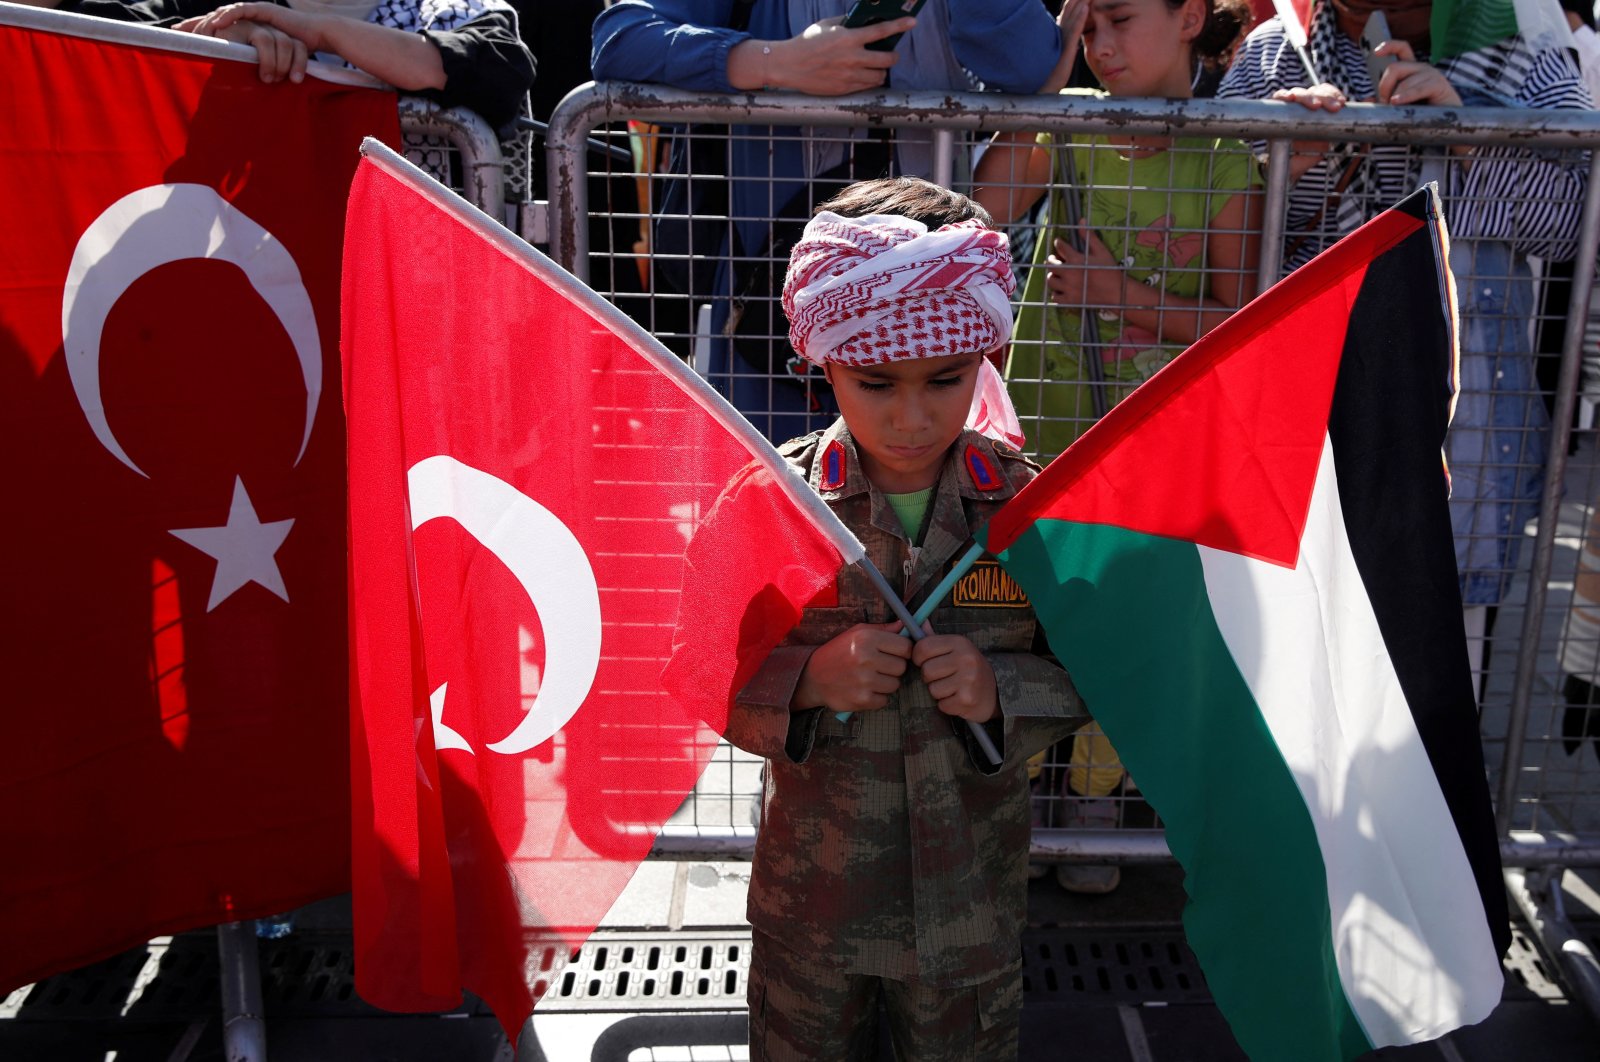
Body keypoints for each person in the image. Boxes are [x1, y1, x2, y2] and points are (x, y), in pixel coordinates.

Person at [724, 176, 1087, 1059]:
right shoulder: (780, 506)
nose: (912, 416)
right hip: (815, 910)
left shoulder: (1027, 511)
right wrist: (807, 680)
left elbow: (1092, 669)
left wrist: (1002, 689)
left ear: (982, 360)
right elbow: (709, 672)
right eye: (875, 381)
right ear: (824, 359)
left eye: (947, 378)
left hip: (966, 910)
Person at [1217, 0, 1591, 680]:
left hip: (1458, 445)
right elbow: (1206, 211)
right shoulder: (1274, 50)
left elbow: (1572, 222)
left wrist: (1472, 132)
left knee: (1440, 694)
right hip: (1303, 425)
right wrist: (1284, 162)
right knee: (1300, 672)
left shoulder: (1529, 49)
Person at [590, 0, 1079, 443]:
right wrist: (775, 61)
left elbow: (1027, 63)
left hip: (925, 311)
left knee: (928, 518)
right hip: (767, 312)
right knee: (779, 508)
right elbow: (619, 41)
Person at [972, 0, 1262, 459]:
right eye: (1087, 31)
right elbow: (983, 210)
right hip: (1037, 438)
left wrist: (1115, 293)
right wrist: (1044, 89)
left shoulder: (1226, 159)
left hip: (1158, 450)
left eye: (1120, 20)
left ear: (1189, 18)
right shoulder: (1071, 118)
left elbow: (1237, 323)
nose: (1100, 48)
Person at [27, 0, 534, 131]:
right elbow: (97, 39)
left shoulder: (450, 7)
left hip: (416, 302)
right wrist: (218, 40)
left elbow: (500, 70)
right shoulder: (233, 9)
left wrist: (319, 32)